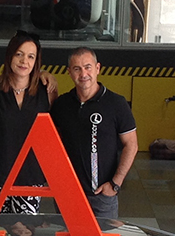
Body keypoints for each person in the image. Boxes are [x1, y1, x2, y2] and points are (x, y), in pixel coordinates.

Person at [0, 30, 59, 214]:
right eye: (19, 54)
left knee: (25, 230)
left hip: (30, 176)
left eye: (31, 56)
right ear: (10, 56)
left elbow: (53, 132)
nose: (24, 61)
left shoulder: (47, 91)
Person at [50, 46, 137, 219]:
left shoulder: (116, 104)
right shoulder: (61, 105)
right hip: (67, 194)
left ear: (97, 68)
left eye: (88, 67)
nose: (83, 74)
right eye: (77, 69)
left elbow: (131, 145)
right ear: (69, 72)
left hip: (102, 196)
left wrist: (115, 184)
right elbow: (52, 144)